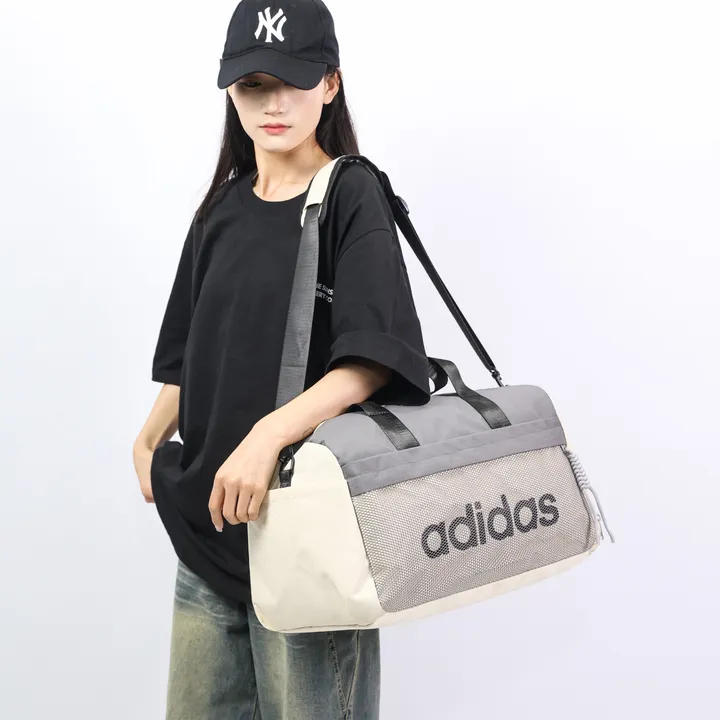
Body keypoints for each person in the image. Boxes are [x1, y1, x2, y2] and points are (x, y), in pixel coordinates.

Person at [132, 1, 432, 718]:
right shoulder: (220, 209)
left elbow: (371, 360)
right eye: (253, 85)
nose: (273, 104)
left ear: (330, 83)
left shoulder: (352, 194)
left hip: (309, 541)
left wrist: (266, 436)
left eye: (293, 81)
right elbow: (190, 354)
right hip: (208, 533)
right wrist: (148, 436)